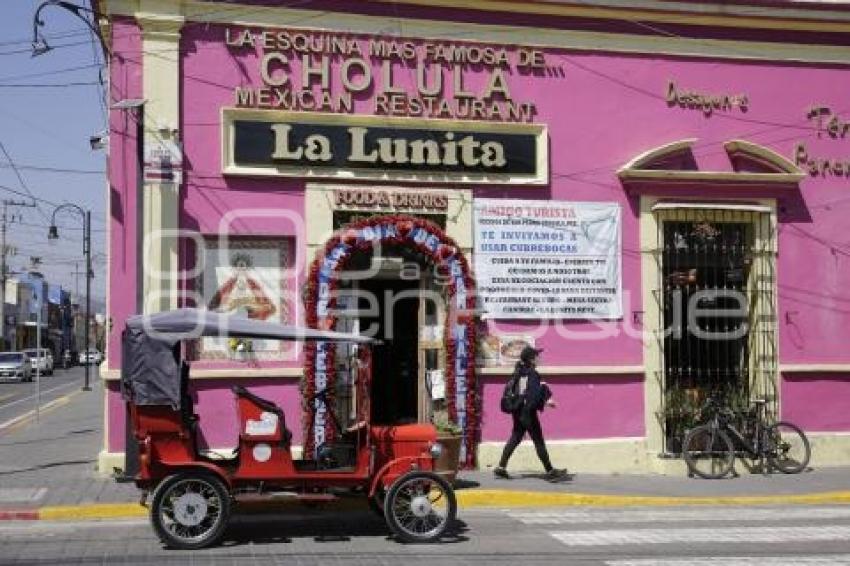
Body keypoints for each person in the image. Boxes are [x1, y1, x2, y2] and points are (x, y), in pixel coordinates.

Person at [493, 346, 567, 481]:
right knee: (538, 440)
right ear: (531, 359)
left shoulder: (518, 371)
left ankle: (501, 467)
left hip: (517, 411)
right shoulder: (532, 373)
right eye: (536, 356)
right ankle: (550, 471)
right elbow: (533, 394)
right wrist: (545, 399)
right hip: (527, 413)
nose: (538, 358)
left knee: (515, 438)